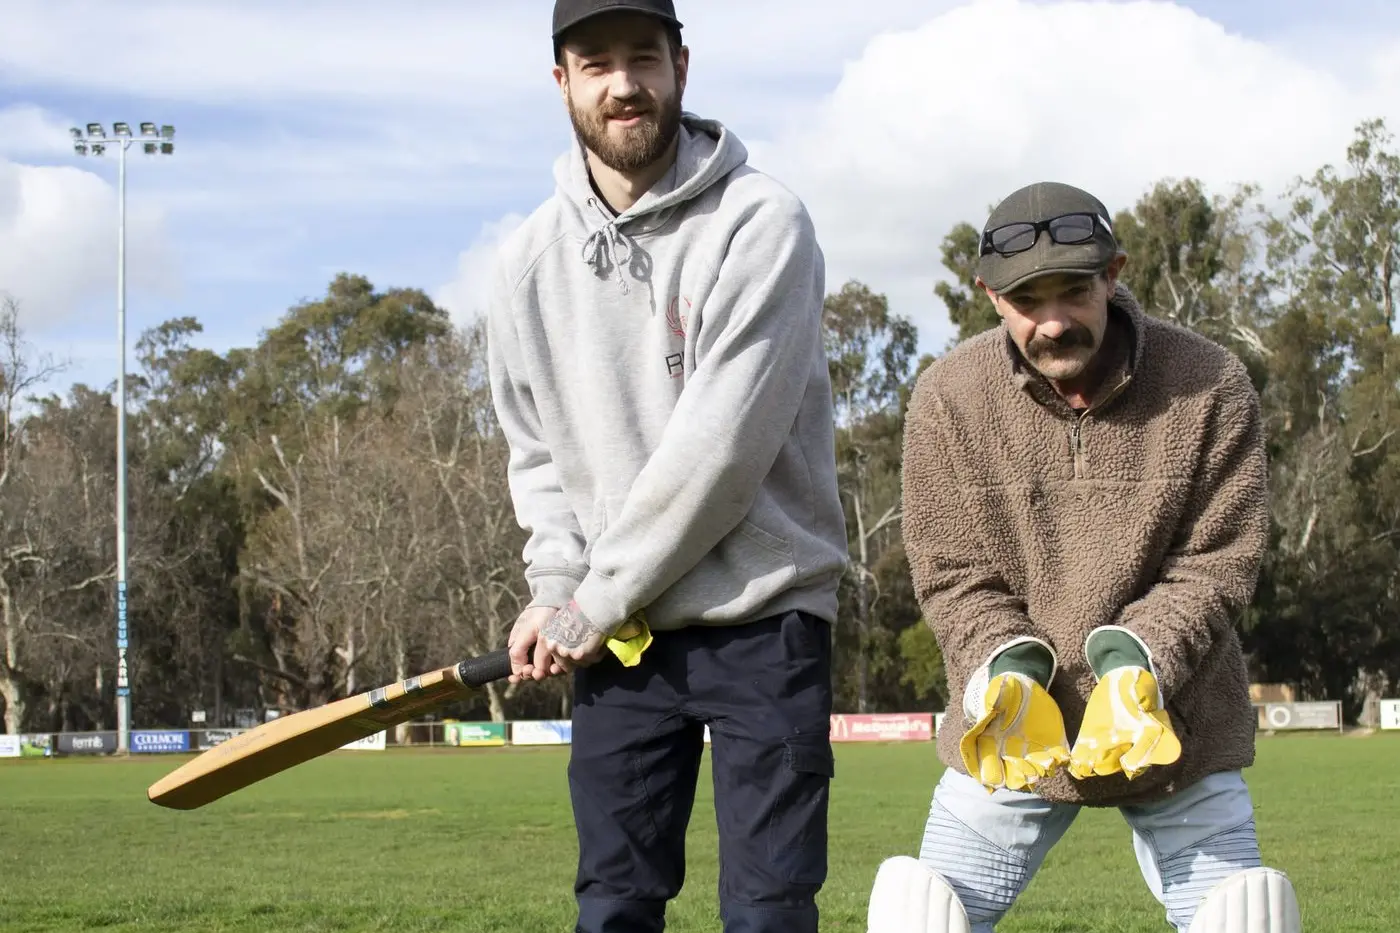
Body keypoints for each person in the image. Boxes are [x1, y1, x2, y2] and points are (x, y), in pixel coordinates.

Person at [484, 2, 849, 930]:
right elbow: (538, 455)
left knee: (768, 911)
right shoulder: (526, 261)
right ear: (560, 81)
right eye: (596, 63)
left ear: (681, 65)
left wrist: (589, 603)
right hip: (624, 640)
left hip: (763, 615)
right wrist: (555, 583)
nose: (623, 85)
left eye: (643, 58)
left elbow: (720, 453)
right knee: (613, 907)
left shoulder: (762, 222)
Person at [867, 182, 1301, 933]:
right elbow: (952, 574)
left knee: (1247, 918)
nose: (1054, 320)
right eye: (1028, 299)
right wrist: (1005, 670)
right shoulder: (947, 398)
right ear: (990, 297)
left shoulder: (1211, 382)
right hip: (1014, 732)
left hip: (1174, 719)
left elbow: (1218, 561)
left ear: (1114, 273)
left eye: (1074, 290)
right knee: (918, 913)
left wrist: (1141, 664)